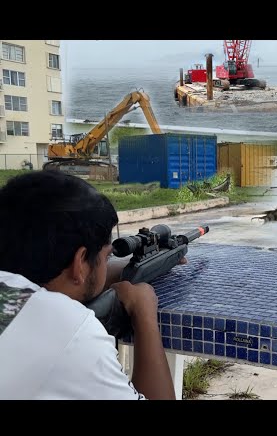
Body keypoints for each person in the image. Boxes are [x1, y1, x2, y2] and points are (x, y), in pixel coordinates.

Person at [0, 170, 175, 399]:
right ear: (80, 262)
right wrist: (145, 314)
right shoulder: (70, 329)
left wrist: (145, 264)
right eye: (106, 256)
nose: (107, 262)